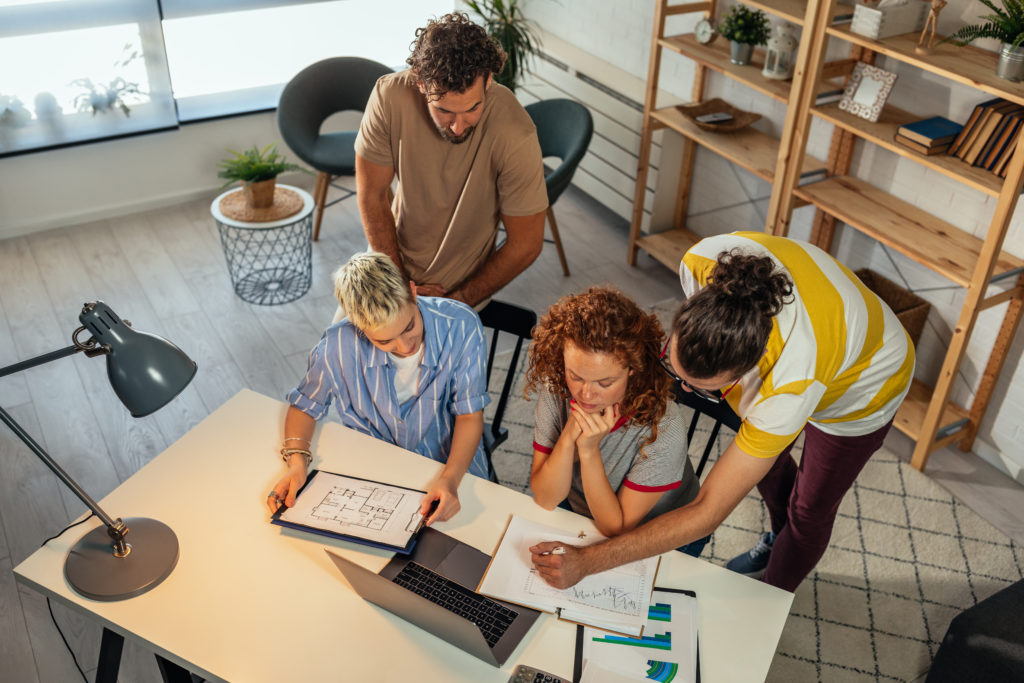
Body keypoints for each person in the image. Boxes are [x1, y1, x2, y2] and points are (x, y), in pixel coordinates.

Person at [530, 232, 915, 592]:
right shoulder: (699, 263)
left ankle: (770, 595)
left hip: (866, 383)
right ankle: (777, 529)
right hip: (827, 322)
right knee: (767, 462)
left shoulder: (789, 387)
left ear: (749, 373)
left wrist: (589, 562)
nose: (678, 391)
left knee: (809, 509)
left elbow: (706, 512)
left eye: (701, 390)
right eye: (672, 367)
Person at [266, 251, 490, 526]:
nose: (406, 347)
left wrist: (449, 480)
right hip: (377, 478)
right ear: (358, 327)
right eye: (385, 342)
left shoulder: (462, 326)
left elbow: (469, 416)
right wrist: (297, 464)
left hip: (454, 469)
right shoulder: (337, 346)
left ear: (412, 292)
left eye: (409, 326)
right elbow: (304, 407)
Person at [354, 11, 548, 308]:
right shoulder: (389, 96)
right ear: (420, 83)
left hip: (458, 290)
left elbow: (526, 244)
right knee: (338, 351)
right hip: (387, 270)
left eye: (472, 108)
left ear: (489, 80)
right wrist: (401, 286)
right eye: (444, 111)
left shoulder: (515, 132)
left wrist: (456, 301)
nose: (458, 126)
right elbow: (373, 195)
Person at [526, 287, 706, 555]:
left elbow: (617, 528)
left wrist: (588, 450)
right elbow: (546, 497)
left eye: (605, 382)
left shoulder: (665, 427)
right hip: (580, 510)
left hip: (659, 534)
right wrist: (569, 435)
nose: (586, 394)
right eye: (575, 375)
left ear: (633, 369)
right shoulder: (557, 387)